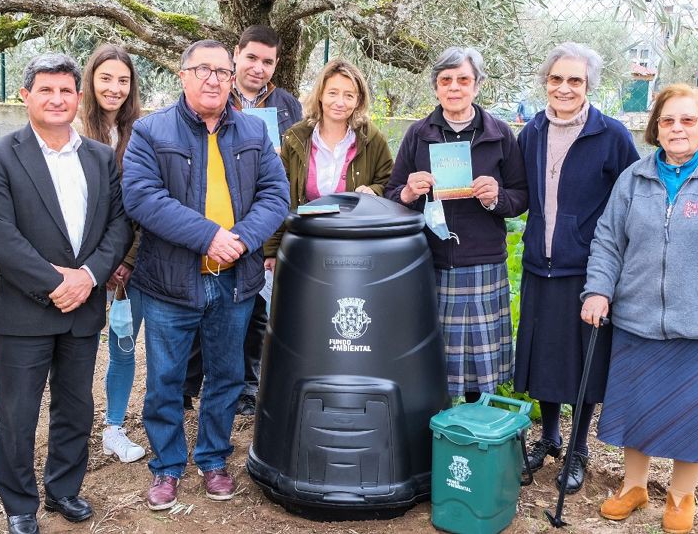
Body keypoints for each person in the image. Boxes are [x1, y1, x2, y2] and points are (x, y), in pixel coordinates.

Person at [581, 84, 698, 534]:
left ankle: (681, 495)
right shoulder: (634, 178)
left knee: (691, 416)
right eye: (668, 120)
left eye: (688, 120)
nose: (677, 128)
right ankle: (634, 487)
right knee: (636, 411)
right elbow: (609, 241)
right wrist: (598, 290)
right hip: (638, 320)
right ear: (656, 128)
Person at [121, 39, 289, 511]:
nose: (213, 79)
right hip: (171, 283)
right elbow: (142, 197)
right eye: (203, 70)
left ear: (232, 78)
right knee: (166, 380)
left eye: (221, 71)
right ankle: (168, 467)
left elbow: (277, 194)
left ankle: (214, 458)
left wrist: (240, 239)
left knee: (226, 376)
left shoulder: (254, 133)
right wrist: (208, 236)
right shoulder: (150, 132)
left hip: (234, 280)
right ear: (183, 75)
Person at [0, 53, 133, 534]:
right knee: (19, 414)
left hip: (83, 307)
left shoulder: (101, 158)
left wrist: (87, 276)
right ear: (25, 96)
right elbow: (0, 237)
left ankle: (64, 488)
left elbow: (119, 225)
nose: (57, 99)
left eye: (66, 91)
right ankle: (20, 504)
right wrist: (55, 282)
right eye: (45, 90)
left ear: (78, 98)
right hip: (24, 310)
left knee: (76, 405)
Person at [513, 42, 639, 494]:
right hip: (538, 265)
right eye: (556, 79)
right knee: (545, 355)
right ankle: (549, 436)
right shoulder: (531, 132)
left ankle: (579, 447)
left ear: (589, 86)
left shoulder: (612, 135)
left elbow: (633, 202)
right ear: (546, 83)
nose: (564, 88)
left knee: (584, 360)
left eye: (575, 80)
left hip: (588, 271)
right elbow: (520, 194)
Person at [384, 46, 528, 403]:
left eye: (463, 80)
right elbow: (391, 195)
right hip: (429, 261)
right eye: (446, 80)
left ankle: (475, 436)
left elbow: (520, 197)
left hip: (482, 263)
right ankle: (435, 436)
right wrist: (408, 193)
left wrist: (496, 197)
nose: (454, 87)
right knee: (432, 364)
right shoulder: (418, 134)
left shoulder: (500, 135)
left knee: (481, 370)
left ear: (477, 85)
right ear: (436, 87)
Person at [184, 25, 303, 416]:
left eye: (267, 61)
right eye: (251, 57)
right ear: (236, 55)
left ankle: (248, 387)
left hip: (258, 221)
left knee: (254, 310)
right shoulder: (212, 91)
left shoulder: (287, 105)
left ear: (276, 65)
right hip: (210, 219)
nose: (258, 67)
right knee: (201, 305)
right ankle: (190, 384)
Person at [74, 43, 146, 463]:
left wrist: (126, 259)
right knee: (77, 353)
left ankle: (114, 427)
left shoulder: (143, 133)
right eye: (106, 79)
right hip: (80, 264)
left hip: (128, 266)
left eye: (123, 80)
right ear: (91, 81)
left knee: (122, 346)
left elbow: (141, 204)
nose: (115, 88)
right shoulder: (74, 130)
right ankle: (73, 429)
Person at [263, 58, 393, 261]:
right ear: (321, 95)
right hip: (305, 245)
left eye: (349, 95)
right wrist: (271, 250)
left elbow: (389, 184)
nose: (340, 102)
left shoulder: (372, 138)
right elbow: (279, 195)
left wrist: (373, 191)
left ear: (358, 101)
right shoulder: (295, 138)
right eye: (333, 93)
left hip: (357, 249)